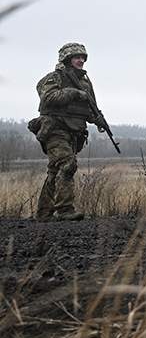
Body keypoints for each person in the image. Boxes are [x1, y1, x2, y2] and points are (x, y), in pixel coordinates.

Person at [30, 42, 104, 221]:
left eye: (83, 58)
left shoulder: (85, 83)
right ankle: (65, 210)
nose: (81, 61)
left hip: (73, 131)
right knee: (67, 164)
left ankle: (43, 213)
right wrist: (73, 93)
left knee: (55, 171)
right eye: (77, 57)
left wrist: (98, 119)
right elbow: (48, 99)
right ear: (67, 58)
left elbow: (89, 107)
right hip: (54, 129)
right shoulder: (54, 78)